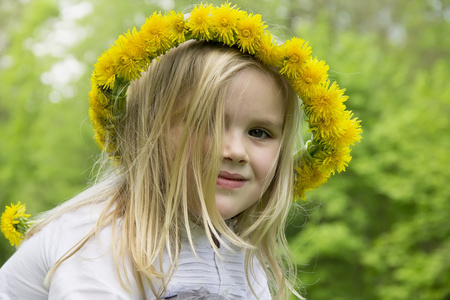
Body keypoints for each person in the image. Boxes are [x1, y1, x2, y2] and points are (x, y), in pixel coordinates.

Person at [0, 3, 361, 299]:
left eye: (259, 132)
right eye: (205, 123)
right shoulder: (97, 239)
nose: (235, 150)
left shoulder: (238, 251)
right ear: (148, 132)